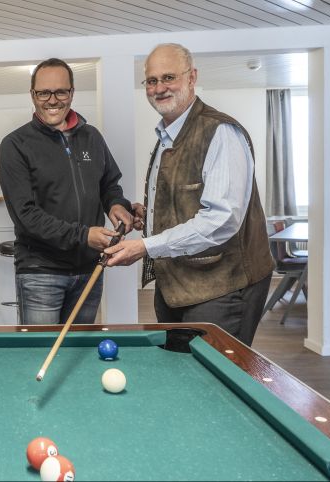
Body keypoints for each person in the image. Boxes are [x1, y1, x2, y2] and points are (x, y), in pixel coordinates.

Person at [104, 43, 274, 345]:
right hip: (176, 288)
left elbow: (221, 220)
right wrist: (151, 215)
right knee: (180, 371)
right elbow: (184, 197)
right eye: (152, 81)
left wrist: (144, 246)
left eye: (169, 77)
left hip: (223, 289)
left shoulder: (220, 131)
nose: (159, 88)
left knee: (215, 384)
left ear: (192, 77)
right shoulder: (166, 134)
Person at [0, 58, 134, 325]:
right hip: (41, 273)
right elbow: (26, 215)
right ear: (32, 95)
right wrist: (83, 236)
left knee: (77, 355)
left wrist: (116, 205)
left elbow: (109, 184)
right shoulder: (15, 145)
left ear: (71, 93)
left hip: (89, 271)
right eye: (43, 92)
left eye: (61, 91)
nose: (52, 100)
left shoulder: (92, 137)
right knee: (43, 354)